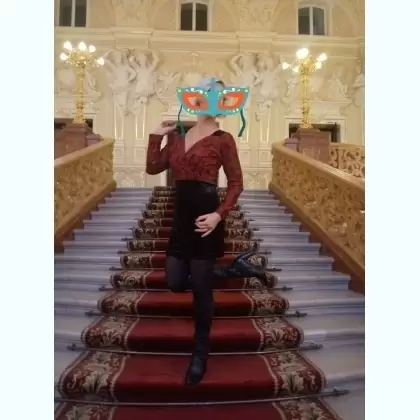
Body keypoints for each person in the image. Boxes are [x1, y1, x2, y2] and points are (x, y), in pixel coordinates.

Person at [146, 78, 244, 386]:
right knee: (175, 281)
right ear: (196, 98)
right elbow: (152, 167)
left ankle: (200, 352)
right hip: (180, 219)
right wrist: (156, 136)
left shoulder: (223, 139)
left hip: (206, 219)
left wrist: (218, 215)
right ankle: (228, 271)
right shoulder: (178, 138)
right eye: (208, 93)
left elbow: (236, 183)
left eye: (219, 94)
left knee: (202, 290)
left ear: (225, 102)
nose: (212, 98)